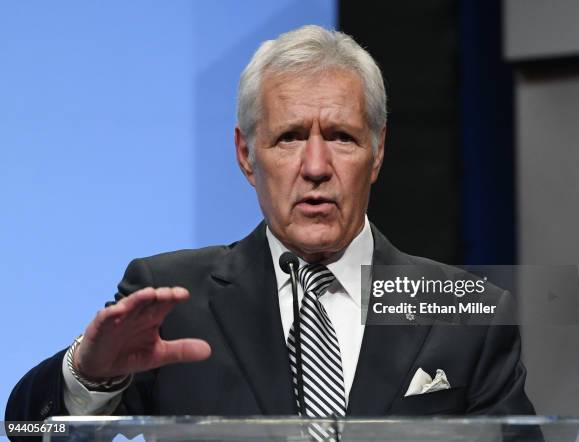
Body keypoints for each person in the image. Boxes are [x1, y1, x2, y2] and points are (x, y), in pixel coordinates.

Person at [6, 25, 535, 424]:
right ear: (244, 153)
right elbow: (25, 429)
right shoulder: (171, 301)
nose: (315, 167)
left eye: (342, 137)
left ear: (377, 152)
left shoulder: (466, 310)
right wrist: (89, 375)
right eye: (288, 138)